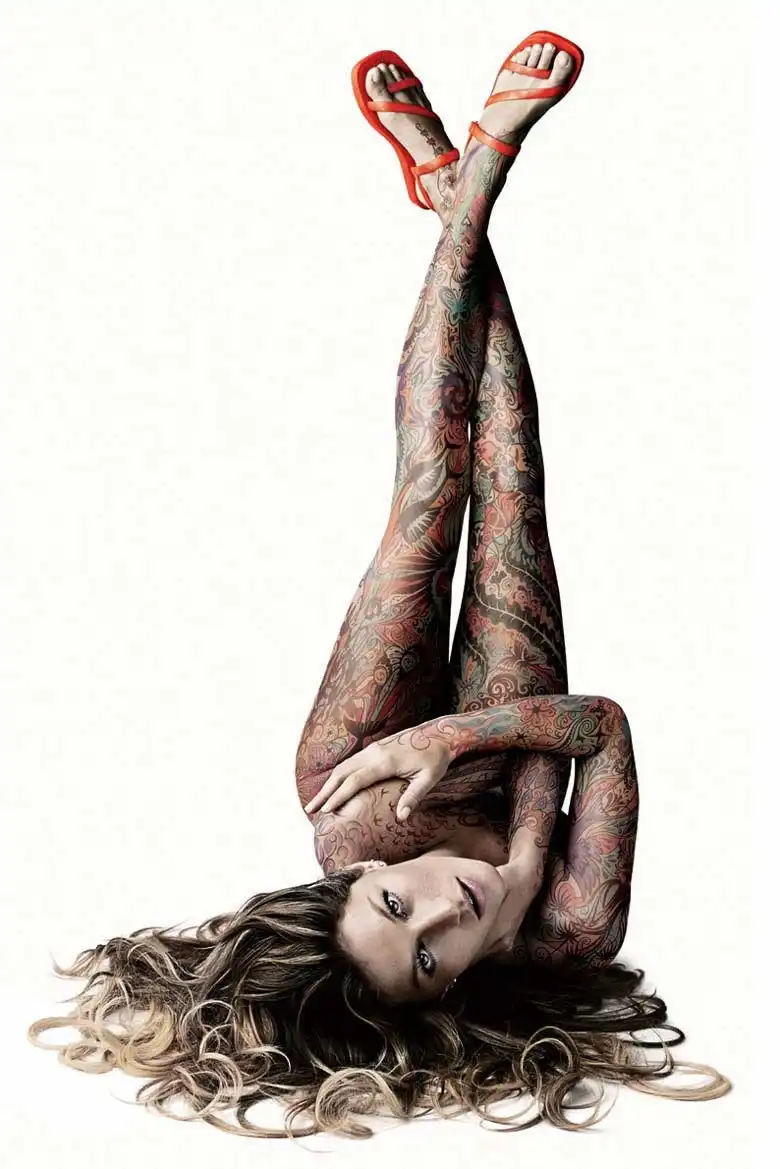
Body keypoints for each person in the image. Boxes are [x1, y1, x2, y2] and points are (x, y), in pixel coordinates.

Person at [29, 33, 731, 1140]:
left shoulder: (356, 831)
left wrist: (434, 757)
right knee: (512, 476)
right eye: (431, 957)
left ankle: (476, 174)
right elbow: (602, 724)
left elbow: (563, 736)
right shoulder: (572, 927)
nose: (443, 909)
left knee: (433, 492)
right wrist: (515, 834)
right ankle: (452, 191)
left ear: (361, 883)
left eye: (395, 905)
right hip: (484, 753)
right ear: (449, 997)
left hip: (375, 766)